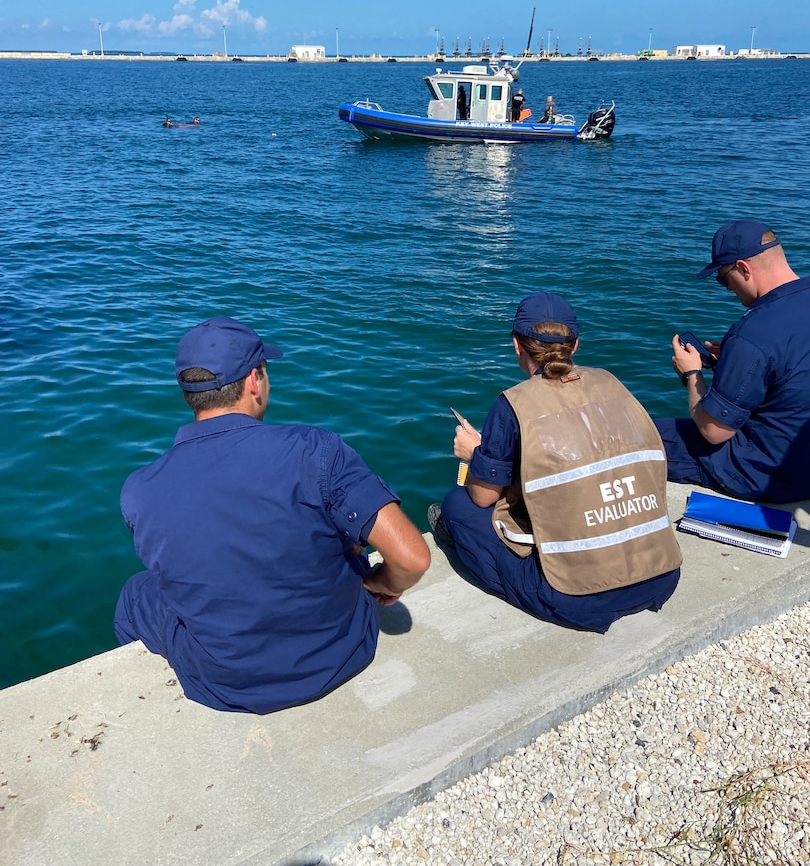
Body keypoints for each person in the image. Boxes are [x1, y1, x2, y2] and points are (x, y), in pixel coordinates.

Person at [114, 316, 430, 714]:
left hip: (225, 684)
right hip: (345, 652)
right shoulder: (316, 450)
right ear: (253, 381)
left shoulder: (140, 490)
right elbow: (413, 557)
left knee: (134, 595)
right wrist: (380, 582)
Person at [429, 293, 681, 633]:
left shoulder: (513, 404)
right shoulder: (612, 383)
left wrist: (475, 454)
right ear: (575, 345)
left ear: (517, 345)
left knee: (457, 507)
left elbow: (483, 498)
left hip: (577, 598)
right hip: (661, 575)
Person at [655, 219, 810, 504]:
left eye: (723, 278)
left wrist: (691, 374)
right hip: (802, 456)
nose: (726, 288)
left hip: (763, 474)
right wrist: (736, 359)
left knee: (632, 436)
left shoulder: (752, 334)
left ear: (743, 268)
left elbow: (714, 432)